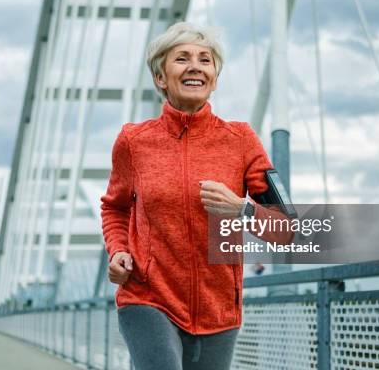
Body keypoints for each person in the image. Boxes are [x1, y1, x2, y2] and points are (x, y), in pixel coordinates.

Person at [100, 22, 294, 370]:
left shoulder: (240, 140)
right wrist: (118, 251)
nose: (195, 66)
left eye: (205, 60)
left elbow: (286, 230)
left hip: (218, 307)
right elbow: (115, 208)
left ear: (214, 79)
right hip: (147, 296)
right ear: (161, 77)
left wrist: (242, 209)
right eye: (182, 59)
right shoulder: (133, 141)